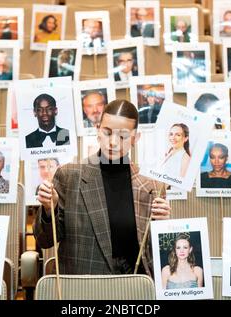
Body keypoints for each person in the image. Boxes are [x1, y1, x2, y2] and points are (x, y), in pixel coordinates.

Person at [34, 99, 171, 275]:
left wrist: (164, 226)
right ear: (98, 130)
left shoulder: (152, 186)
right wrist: (49, 208)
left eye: (122, 136)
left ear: (136, 138)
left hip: (135, 288)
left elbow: (158, 255)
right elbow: (45, 240)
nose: (113, 142)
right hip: (84, 288)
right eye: (107, 133)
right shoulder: (70, 176)